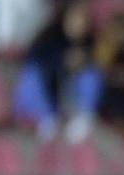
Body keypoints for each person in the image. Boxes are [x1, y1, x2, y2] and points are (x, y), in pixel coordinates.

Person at [12, 0, 102, 143]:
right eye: (74, 18)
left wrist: (81, 62)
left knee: (91, 75)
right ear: (64, 18)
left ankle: (83, 118)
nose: (79, 24)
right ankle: (45, 118)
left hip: (70, 95)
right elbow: (35, 61)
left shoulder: (90, 41)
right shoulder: (48, 36)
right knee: (31, 74)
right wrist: (62, 61)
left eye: (82, 19)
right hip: (46, 91)